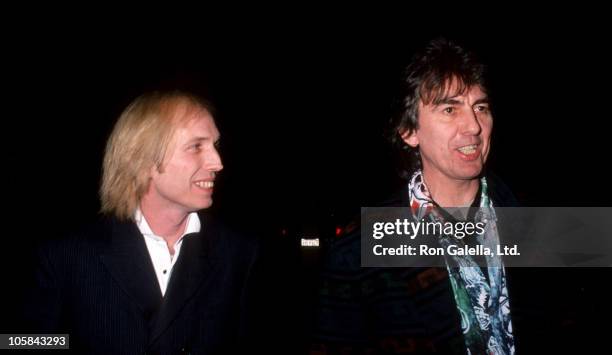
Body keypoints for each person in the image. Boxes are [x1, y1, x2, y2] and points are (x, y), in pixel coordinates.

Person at [311, 38, 530, 354]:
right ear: (409, 131)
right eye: (450, 109)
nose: (474, 126)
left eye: (480, 107)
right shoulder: (358, 251)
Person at [23, 91, 260, 354]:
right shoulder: (65, 256)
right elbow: (22, 341)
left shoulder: (239, 254)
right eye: (196, 146)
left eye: (215, 145)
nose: (218, 162)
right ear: (143, 158)